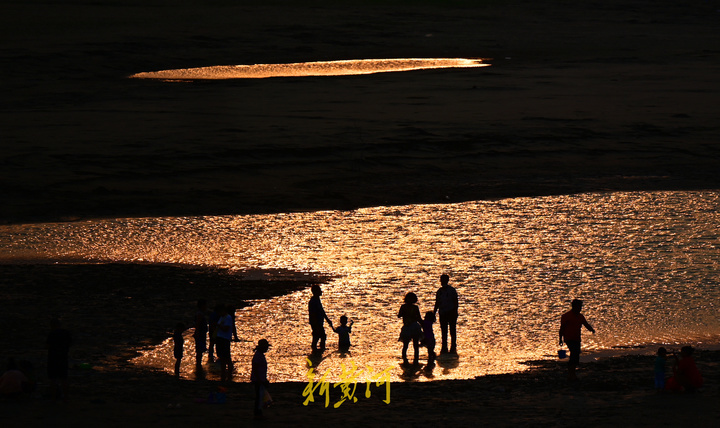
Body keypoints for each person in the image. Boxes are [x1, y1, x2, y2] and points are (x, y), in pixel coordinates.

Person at [558, 299, 595, 381]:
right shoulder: (566, 316)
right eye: (579, 307)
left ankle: (572, 373)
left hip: (577, 338)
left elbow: (586, 324)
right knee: (574, 353)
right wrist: (560, 339)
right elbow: (562, 328)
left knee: (576, 355)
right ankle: (571, 374)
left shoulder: (580, 316)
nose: (580, 308)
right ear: (574, 306)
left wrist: (591, 329)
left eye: (580, 307)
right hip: (569, 338)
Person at [47, 317, 72, 400]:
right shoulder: (66, 333)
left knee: (53, 379)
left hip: (53, 358)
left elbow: (47, 345)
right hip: (63, 357)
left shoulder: (52, 333)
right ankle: (66, 397)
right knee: (64, 379)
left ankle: (53, 398)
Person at [433, 274, 459, 355]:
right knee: (447, 330)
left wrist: (455, 311)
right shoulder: (441, 291)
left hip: (449, 312)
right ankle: (446, 346)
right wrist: (434, 313)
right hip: (445, 312)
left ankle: (451, 346)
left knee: (450, 330)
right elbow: (437, 303)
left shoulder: (449, 291)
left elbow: (455, 302)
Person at [398, 292, 423, 365]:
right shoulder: (413, 307)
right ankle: (410, 359)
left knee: (411, 344)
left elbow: (399, 315)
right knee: (408, 344)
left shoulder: (404, 307)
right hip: (412, 327)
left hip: (410, 327)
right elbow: (419, 318)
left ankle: (409, 359)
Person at [308, 284, 334, 351]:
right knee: (321, 336)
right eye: (320, 290)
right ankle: (319, 350)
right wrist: (327, 320)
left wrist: (327, 320)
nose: (321, 291)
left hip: (317, 322)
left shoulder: (316, 300)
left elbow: (321, 311)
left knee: (318, 336)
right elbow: (320, 311)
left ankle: (317, 352)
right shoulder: (314, 301)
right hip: (316, 322)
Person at [250, 339, 271, 418]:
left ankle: (258, 412)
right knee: (259, 397)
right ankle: (258, 413)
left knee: (260, 396)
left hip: (260, 379)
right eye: (266, 347)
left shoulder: (260, 355)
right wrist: (259, 379)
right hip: (258, 380)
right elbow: (255, 368)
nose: (267, 349)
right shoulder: (258, 355)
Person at [215, 305, 234, 382]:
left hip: (225, 339)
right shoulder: (222, 317)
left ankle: (229, 374)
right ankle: (223, 373)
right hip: (220, 338)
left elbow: (226, 328)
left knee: (227, 357)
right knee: (222, 357)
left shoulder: (228, 318)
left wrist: (219, 326)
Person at [193, 299, 208, 369]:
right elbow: (198, 324)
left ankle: (198, 364)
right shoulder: (200, 314)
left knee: (200, 350)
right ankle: (198, 364)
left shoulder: (200, 313)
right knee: (199, 350)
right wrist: (197, 333)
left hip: (201, 333)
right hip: (200, 334)